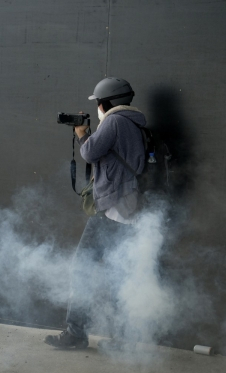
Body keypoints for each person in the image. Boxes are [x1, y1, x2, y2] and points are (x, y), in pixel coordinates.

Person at [45, 77, 147, 349]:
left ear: (105, 103)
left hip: (111, 211)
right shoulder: (136, 122)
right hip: (127, 209)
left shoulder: (114, 122)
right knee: (119, 275)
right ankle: (123, 339)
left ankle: (77, 334)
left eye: (99, 103)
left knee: (83, 269)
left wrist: (81, 133)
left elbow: (90, 152)